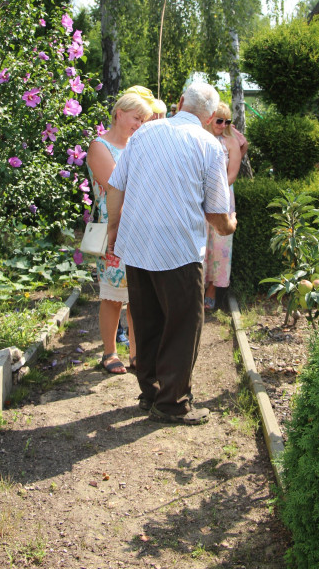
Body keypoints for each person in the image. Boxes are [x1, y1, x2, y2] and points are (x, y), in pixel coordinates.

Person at [106, 83, 236, 425]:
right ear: (210, 117)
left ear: (179, 103)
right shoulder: (209, 144)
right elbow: (218, 213)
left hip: (137, 244)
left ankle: (150, 393)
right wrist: (229, 227)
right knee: (183, 325)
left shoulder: (144, 134)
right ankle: (172, 404)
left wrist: (113, 231)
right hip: (178, 249)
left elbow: (116, 186)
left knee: (147, 321)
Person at [86, 91, 153, 373]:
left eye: (144, 120)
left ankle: (137, 354)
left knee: (139, 295)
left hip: (141, 227)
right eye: (136, 118)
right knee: (113, 296)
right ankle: (110, 352)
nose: (139, 124)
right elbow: (116, 187)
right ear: (119, 113)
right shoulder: (99, 146)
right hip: (114, 227)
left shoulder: (139, 146)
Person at [203, 102, 242, 311]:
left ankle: (212, 287)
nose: (223, 124)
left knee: (219, 243)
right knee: (198, 239)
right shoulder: (199, 136)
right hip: (198, 196)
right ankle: (195, 285)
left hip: (223, 196)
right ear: (210, 118)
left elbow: (232, 173)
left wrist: (214, 191)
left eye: (227, 121)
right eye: (219, 120)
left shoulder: (231, 142)